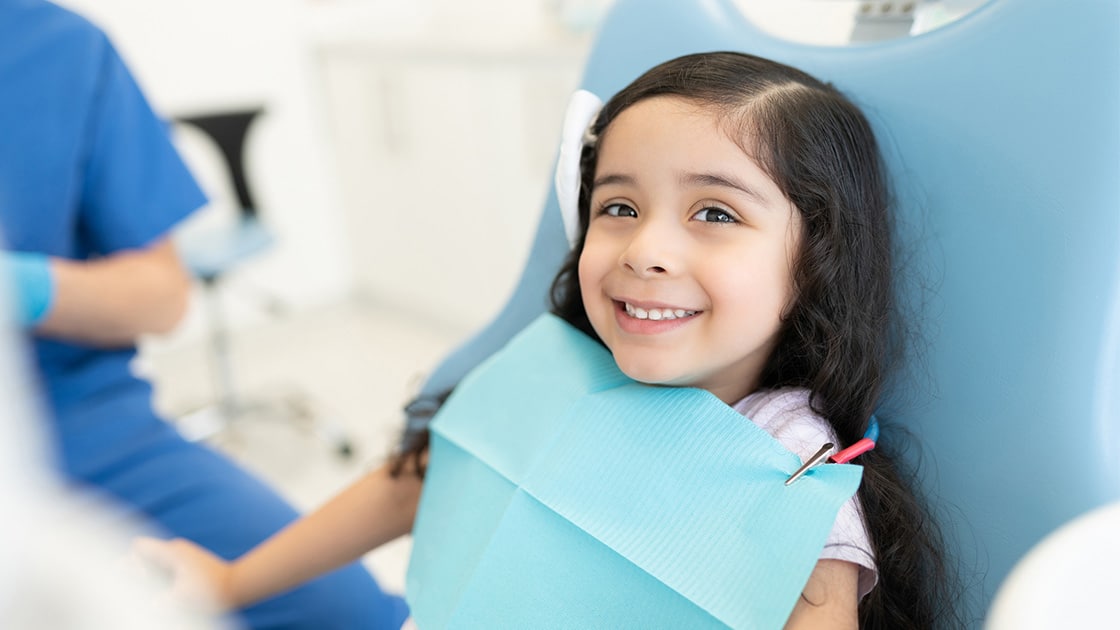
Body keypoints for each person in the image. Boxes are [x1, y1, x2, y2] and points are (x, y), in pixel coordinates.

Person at [140, 52, 960, 628]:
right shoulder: (556, 369)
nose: (645, 249)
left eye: (714, 213)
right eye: (619, 206)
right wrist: (230, 580)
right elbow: (414, 483)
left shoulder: (793, 480)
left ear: (814, 261)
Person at [0, 1, 408, 628]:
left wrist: (25, 287)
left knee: (349, 611)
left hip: (86, 430)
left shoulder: (57, 45)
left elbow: (164, 295)